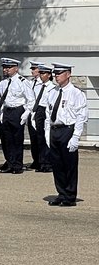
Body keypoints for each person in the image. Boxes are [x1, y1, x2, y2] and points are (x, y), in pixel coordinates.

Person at [41, 63, 88, 207]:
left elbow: (81, 116)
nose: (56, 76)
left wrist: (75, 137)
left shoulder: (76, 93)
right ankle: (61, 193)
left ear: (68, 74)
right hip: (55, 130)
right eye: (55, 73)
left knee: (69, 165)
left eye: (60, 73)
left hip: (67, 130)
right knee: (57, 165)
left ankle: (70, 196)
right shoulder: (52, 92)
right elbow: (48, 114)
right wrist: (47, 133)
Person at [0, 57, 32, 174]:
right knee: (7, 139)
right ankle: (10, 162)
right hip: (7, 110)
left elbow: (30, 99)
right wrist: (0, 112)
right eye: (4, 67)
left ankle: (17, 165)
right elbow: (1, 99)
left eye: (9, 67)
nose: (6, 70)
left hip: (17, 111)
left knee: (17, 139)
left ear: (16, 68)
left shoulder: (22, 81)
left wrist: (26, 113)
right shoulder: (3, 83)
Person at [28, 63, 53, 172]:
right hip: (36, 110)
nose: (41, 75)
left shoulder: (52, 87)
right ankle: (38, 161)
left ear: (49, 75)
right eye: (40, 73)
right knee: (35, 137)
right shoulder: (36, 85)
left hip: (44, 111)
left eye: (43, 73)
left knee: (44, 137)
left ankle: (46, 162)